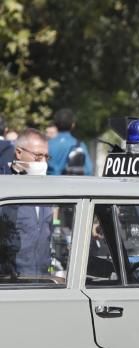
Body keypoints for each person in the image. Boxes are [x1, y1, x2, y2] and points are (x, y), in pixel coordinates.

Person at [6, 129, 53, 277]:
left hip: (42, 278)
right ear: (19, 153)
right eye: (38, 156)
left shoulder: (48, 189)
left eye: (46, 157)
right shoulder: (5, 187)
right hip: (11, 282)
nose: (43, 163)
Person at [47, 108, 93, 176]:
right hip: (70, 185)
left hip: (48, 184)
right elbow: (88, 170)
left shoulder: (47, 145)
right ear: (73, 125)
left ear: (55, 125)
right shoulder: (79, 145)